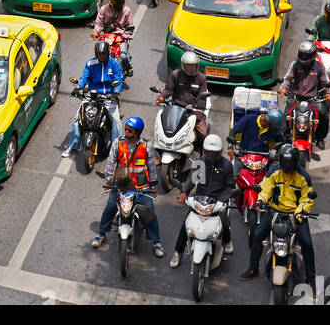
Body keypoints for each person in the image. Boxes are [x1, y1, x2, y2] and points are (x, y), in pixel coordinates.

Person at [241, 143, 315, 287]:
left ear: (295, 161)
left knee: (307, 243)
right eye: (285, 162)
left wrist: (301, 211)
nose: (287, 165)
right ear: (280, 161)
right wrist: (260, 201)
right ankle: (253, 268)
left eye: (290, 162)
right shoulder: (274, 172)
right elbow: (266, 188)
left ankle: (310, 278)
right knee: (257, 235)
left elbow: (307, 198)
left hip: (296, 213)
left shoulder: (303, 176)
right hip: (274, 211)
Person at [93, 116, 164, 257]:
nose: (126, 132)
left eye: (129, 130)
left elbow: (151, 167)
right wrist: (108, 181)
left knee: (149, 211)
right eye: (126, 129)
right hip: (122, 185)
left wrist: (153, 186)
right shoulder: (118, 143)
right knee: (110, 207)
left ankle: (156, 241)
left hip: (141, 186)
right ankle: (101, 233)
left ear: (137, 133)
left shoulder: (146, 146)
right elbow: (110, 162)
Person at [169, 134, 236, 268]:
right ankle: (178, 252)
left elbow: (229, 187)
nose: (211, 155)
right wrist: (184, 193)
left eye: (214, 152)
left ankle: (227, 242)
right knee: (186, 225)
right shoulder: (201, 162)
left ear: (219, 152)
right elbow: (191, 180)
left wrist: (222, 201)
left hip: (217, 201)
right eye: (209, 152)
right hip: (201, 199)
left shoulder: (226, 166)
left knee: (223, 222)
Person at [62, 41, 124, 158]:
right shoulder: (90, 63)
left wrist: (116, 92)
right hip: (92, 96)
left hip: (109, 96)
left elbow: (118, 79)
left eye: (103, 54)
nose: (101, 56)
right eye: (99, 54)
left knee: (116, 121)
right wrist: (77, 88)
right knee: (77, 119)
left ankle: (117, 150)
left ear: (107, 53)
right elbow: (84, 77)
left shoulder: (114, 64)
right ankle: (74, 146)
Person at [279, 41, 330, 150]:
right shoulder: (295, 65)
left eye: (306, 55)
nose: (303, 57)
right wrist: (283, 88)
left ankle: (320, 137)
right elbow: (287, 79)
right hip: (295, 98)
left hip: (312, 100)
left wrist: (328, 93)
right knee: (285, 117)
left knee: (323, 115)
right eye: (302, 54)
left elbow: (325, 82)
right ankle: (284, 137)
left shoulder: (319, 67)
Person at [155, 50, 209, 149]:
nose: (192, 68)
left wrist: (198, 114)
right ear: (184, 65)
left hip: (193, 110)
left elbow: (202, 98)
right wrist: (162, 97)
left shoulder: (201, 78)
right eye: (189, 65)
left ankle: (204, 155)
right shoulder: (175, 75)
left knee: (203, 132)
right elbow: (168, 89)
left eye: (194, 65)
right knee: (162, 127)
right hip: (176, 108)